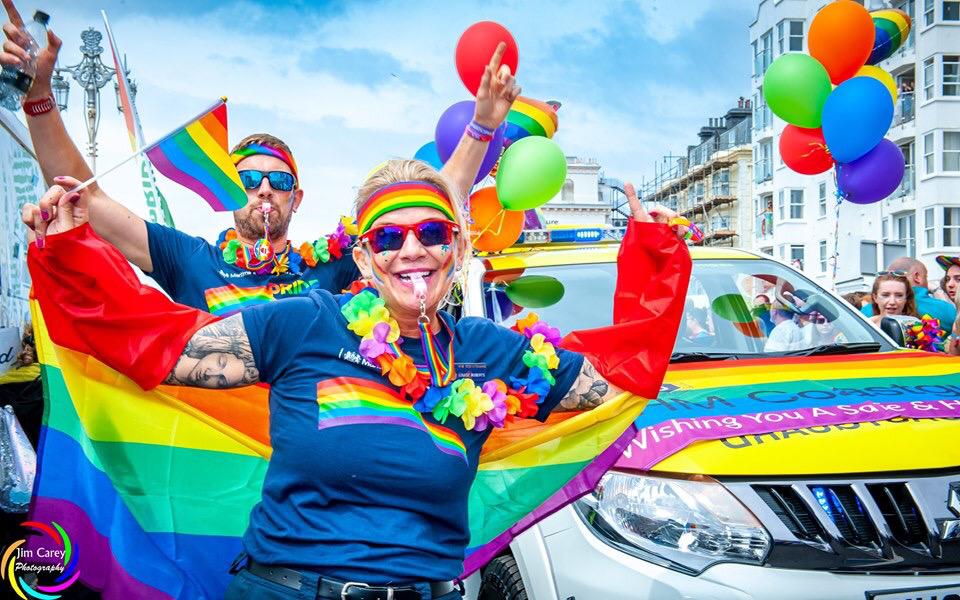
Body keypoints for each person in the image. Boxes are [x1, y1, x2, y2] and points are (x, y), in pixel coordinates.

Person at [26, 161, 691, 599]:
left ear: (456, 249)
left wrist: (655, 263)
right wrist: (70, 255)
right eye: (388, 237)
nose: (411, 249)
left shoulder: (491, 352)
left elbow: (619, 388)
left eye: (431, 232)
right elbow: (159, 348)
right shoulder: (302, 324)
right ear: (364, 258)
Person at [2, 0, 519, 315]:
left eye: (277, 181)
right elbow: (84, 198)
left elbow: (428, 202)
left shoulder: (333, 263)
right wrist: (39, 97)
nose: (264, 189)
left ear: (298, 198)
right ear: (231, 188)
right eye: (249, 178)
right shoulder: (191, 261)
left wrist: (481, 127)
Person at [860, 258, 955, 326]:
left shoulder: (919, 328)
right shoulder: (863, 326)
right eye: (885, 295)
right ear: (875, 297)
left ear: (906, 298)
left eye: (899, 295)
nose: (892, 302)